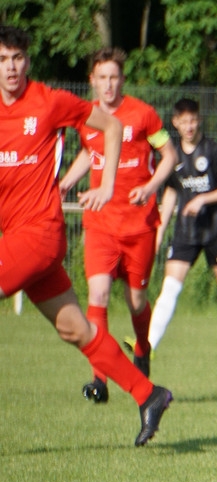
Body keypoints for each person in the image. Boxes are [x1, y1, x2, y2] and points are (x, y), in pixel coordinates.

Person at [0, 25, 171, 446]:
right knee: (76, 329)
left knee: (119, 304)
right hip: (20, 239)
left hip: (40, 235)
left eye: (18, 58)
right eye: (3, 59)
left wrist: (108, 182)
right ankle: (149, 394)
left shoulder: (49, 102)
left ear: (28, 61)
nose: (11, 68)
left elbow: (110, 128)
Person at [59, 47, 178, 402]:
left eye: (115, 78)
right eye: (102, 78)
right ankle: (100, 379)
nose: (108, 85)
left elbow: (169, 156)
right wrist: (66, 181)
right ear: (91, 81)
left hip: (139, 225)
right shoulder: (87, 116)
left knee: (136, 301)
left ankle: (142, 348)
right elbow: (88, 151)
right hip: (100, 224)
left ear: (122, 80)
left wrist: (151, 186)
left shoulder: (143, 115)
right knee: (97, 295)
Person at [146, 98, 217, 363]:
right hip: (185, 232)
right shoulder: (173, 156)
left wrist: (202, 199)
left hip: (215, 229)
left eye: (193, 120)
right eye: (184, 121)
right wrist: (159, 230)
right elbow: (170, 193)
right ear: (176, 123)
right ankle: (148, 346)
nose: (189, 126)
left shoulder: (214, 150)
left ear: (199, 120)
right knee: (169, 287)